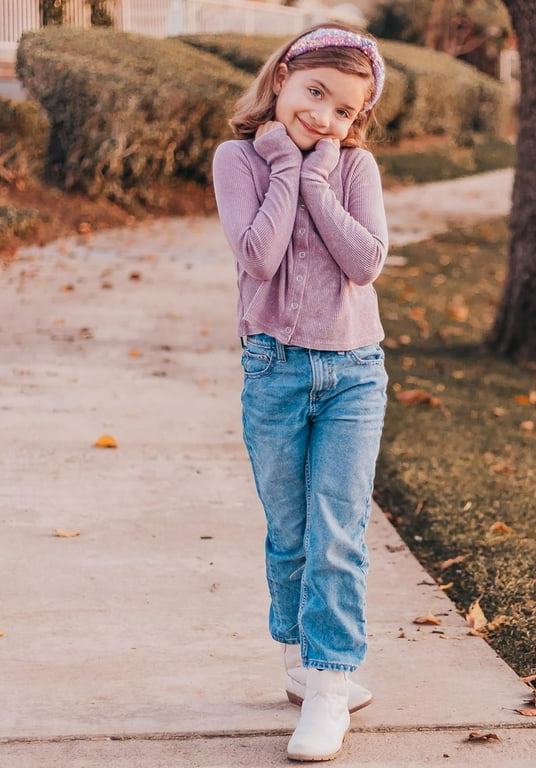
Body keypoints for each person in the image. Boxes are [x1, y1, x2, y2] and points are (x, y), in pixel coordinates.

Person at [212, 24, 389, 762]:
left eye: (345, 111)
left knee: (337, 532)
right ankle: (301, 656)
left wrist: (317, 174)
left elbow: (365, 261)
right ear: (283, 77)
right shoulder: (239, 159)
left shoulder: (354, 168)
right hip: (274, 370)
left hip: (353, 371)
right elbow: (258, 256)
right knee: (289, 532)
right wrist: (285, 167)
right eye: (315, 94)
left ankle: (329, 685)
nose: (325, 118)